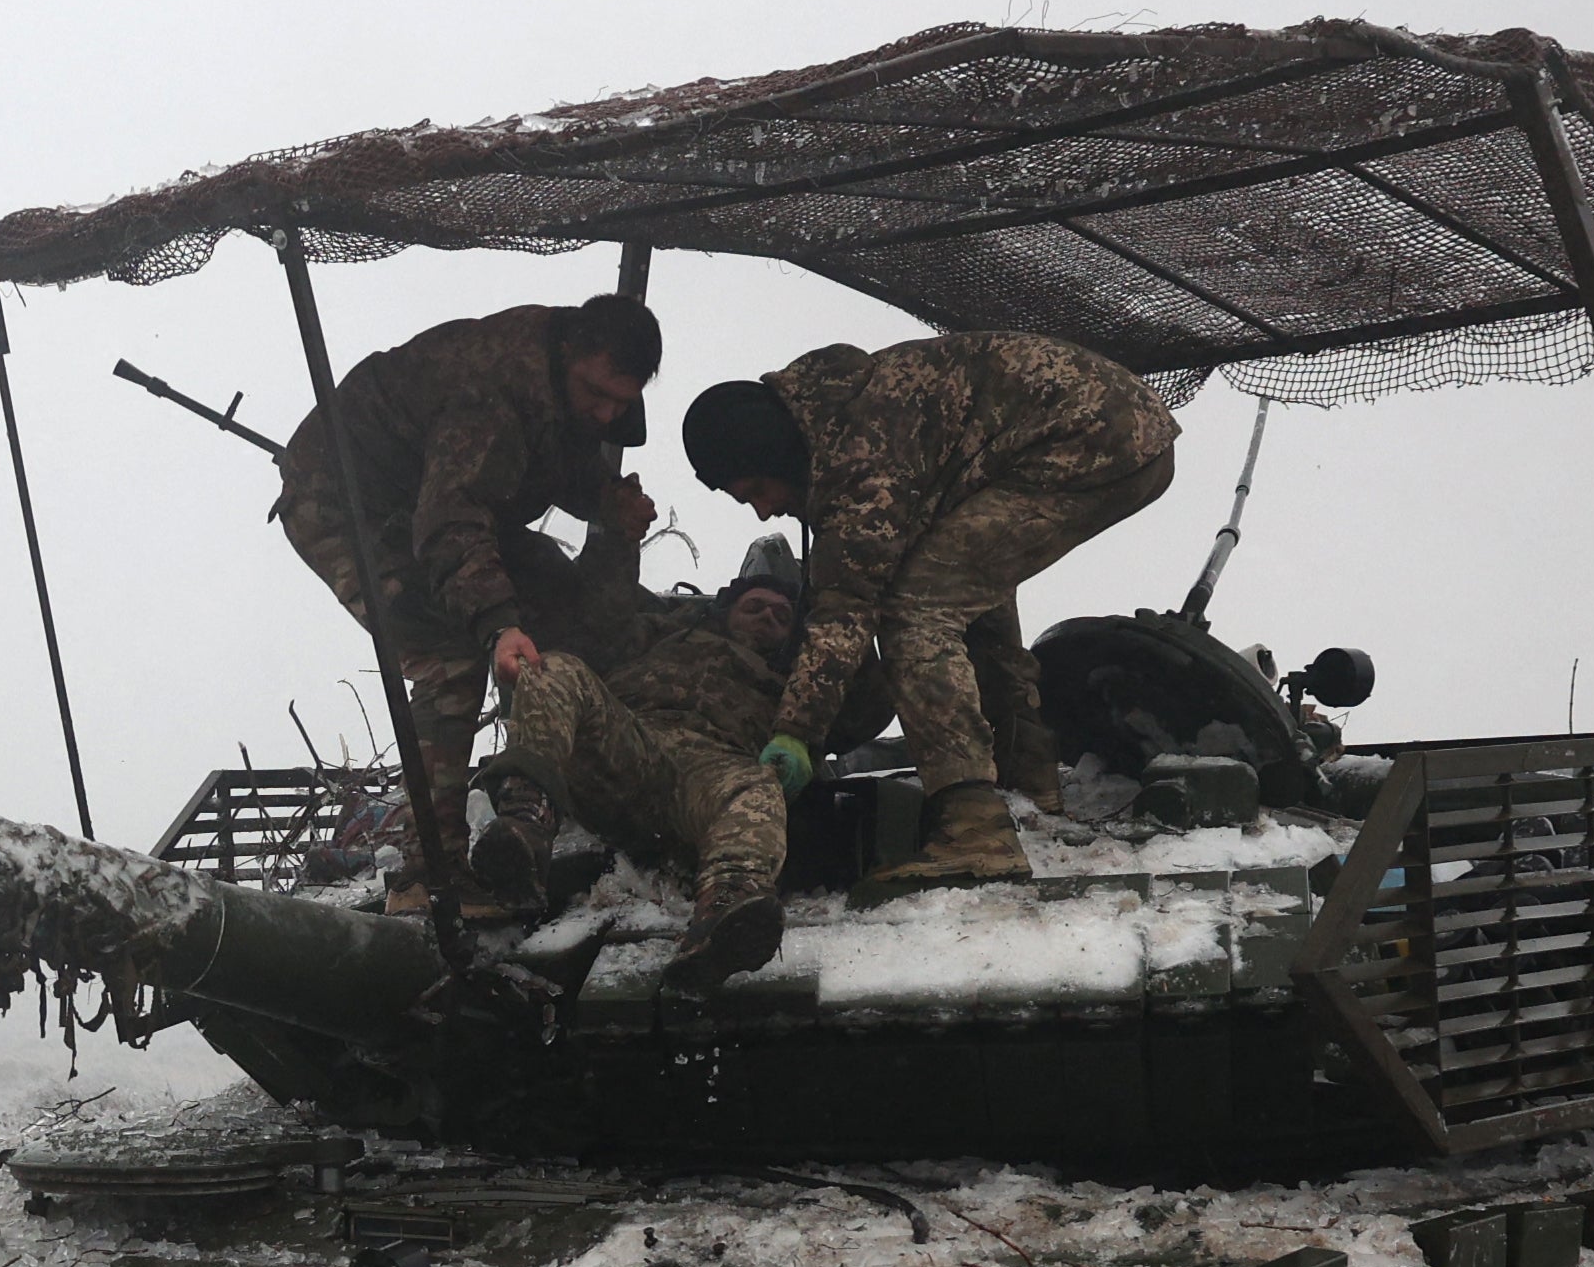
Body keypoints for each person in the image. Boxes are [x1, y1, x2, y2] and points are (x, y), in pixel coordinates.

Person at [674, 331, 1178, 899]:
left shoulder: (856, 459)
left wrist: (795, 733)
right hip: (1107, 426)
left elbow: (847, 611)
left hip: (1090, 438)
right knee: (961, 582)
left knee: (914, 605)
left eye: (757, 491)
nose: (765, 509)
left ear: (771, 452)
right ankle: (1027, 783)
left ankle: (973, 829)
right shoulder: (832, 416)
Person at [275, 293, 663, 900]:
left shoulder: (569, 388)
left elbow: (555, 457)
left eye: (623, 402)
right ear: (568, 356)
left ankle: (539, 800)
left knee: (561, 602)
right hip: (348, 504)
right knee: (451, 652)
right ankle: (430, 868)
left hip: (445, 502)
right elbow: (451, 520)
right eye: (597, 393)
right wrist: (498, 625)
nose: (607, 413)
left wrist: (607, 501)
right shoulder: (490, 393)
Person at [486, 537, 891, 981]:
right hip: (628, 747)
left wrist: (841, 607)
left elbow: (869, 707)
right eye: (755, 606)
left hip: (712, 775)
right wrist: (616, 533)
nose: (766, 619)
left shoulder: (804, 681)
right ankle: (525, 825)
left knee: (756, 786)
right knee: (556, 669)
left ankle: (727, 910)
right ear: (727, 607)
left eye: (781, 616)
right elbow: (597, 626)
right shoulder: (665, 631)